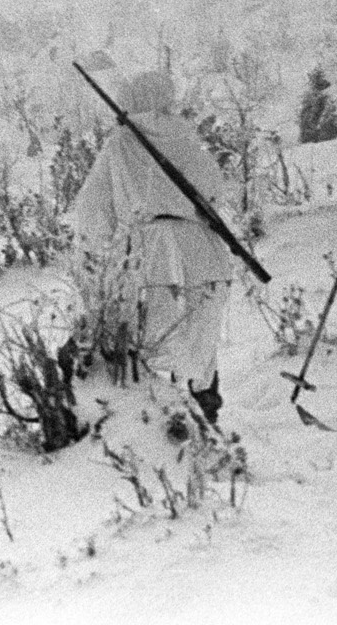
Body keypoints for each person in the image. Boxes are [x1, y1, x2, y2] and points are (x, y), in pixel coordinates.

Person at [72, 69, 237, 424]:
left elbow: (93, 211)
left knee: (148, 343)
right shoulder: (184, 136)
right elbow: (214, 190)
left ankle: (156, 428)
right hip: (202, 253)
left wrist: (102, 256)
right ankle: (206, 420)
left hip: (149, 255)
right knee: (200, 346)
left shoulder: (121, 142)